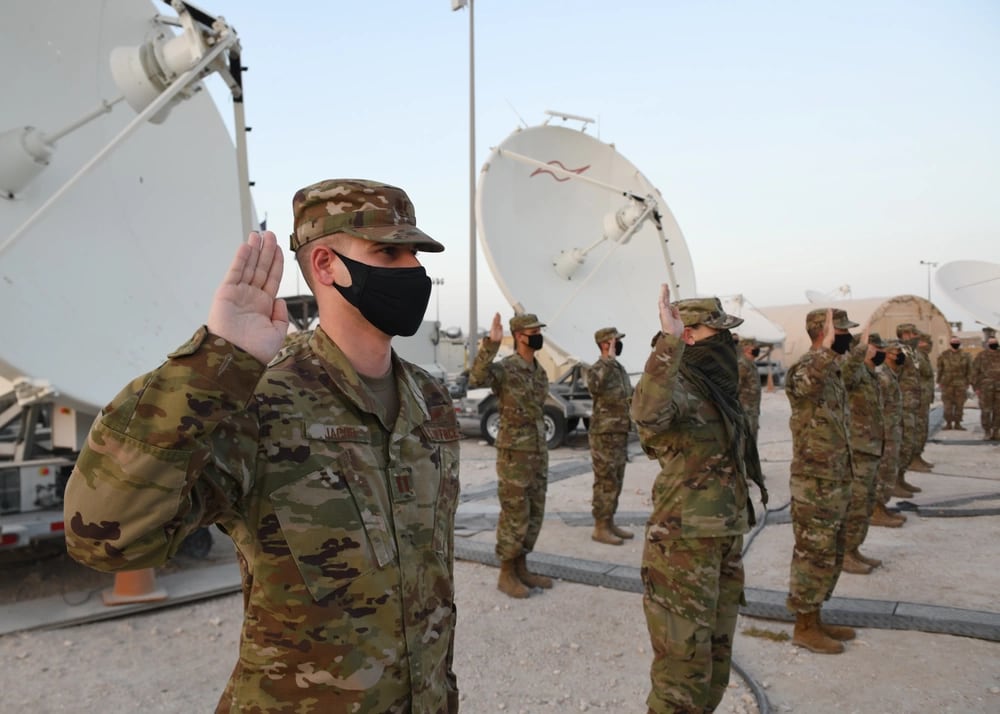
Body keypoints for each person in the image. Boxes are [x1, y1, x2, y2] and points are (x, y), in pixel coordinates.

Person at [63, 179, 461, 713]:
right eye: (388, 251)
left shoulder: (431, 402)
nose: (412, 269)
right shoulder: (257, 400)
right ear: (325, 265)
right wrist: (215, 362)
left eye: (415, 252)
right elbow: (105, 538)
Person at [630, 287, 766, 714]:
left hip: (724, 538)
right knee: (682, 675)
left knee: (715, 665)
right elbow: (647, 414)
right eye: (717, 332)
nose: (728, 342)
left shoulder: (716, 389)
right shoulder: (680, 387)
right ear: (689, 336)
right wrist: (668, 344)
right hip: (683, 545)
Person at [785, 307, 859, 655]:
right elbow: (805, 385)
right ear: (823, 333)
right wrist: (826, 349)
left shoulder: (832, 371)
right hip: (814, 482)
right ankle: (804, 625)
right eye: (841, 331)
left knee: (831, 552)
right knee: (813, 553)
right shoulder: (805, 368)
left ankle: (816, 617)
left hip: (835, 477)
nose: (847, 337)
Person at [469, 311, 554, 598]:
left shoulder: (539, 372)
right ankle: (506, 573)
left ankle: (522, 566)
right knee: (515, 512)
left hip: (537, 450)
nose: (538, 335)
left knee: (534, 512)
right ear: (519, 336)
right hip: (514, 453)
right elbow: (476, 377)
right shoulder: (505, 368)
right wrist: (490, 345)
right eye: (533, 331)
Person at [840, 332, 887, 573]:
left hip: (872, 447)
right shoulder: (854, 371)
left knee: (866, 502)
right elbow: (846, 375)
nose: (878, 351)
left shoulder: (870, 375)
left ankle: (855, 547)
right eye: (874, 346)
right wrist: (858, 352)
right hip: (858, 449)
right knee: (856, 503)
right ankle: (845, 552)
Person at [586, 326, 634, 546]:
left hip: (619, 432)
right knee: (605, 481)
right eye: (616, 341)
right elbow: (595, 387)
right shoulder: (597, 368)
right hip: (603, 433)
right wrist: (608, 361)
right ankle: (600, 527)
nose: (619, 344)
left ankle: (610, 521)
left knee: (616, 480)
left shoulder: (619, 369)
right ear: (606, 344)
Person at [871, 339, 907, 528]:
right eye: (896, 351)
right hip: (884, 432)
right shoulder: (882, 376)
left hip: (891, 429)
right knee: (882, 471)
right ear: (888, 354)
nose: (900, 355)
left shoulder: (891, 374)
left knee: (889, 470)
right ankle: (875, 510)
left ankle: (881, 507)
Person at [893, 323, 925, 495]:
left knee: (909, 444)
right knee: (902, 444)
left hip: (912, 404)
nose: (915, 336)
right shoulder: (899, 352)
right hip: (902, 405)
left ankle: (901, 478)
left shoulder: (911, 353)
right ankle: (894, 482)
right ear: (903, 334)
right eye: (911, 333)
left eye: (915, 333)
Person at [937, 337, 973, 430]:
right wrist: (939, 381)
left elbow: (970, 370)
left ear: (960, 343)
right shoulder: (944, 355)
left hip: (961, 383)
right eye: (953, 342)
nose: (955, 343)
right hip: (947, 384)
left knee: (959, 404)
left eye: (957, 342)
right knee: (947, 405)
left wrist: (968, 381)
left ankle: (958, 423)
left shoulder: (966, 355)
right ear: (950, 343)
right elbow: (940, 369)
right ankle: (948, 423)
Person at [972, 336, 1000, 440]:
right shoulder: (981, 356)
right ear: (987, 344)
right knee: (986, 410)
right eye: (991, 342)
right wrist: (976, 387)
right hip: (985, 388)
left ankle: (996, 431)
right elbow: (974, 372)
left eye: (995, 342)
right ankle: (987, 431)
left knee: (998, 411)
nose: (993, 344)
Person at [736, 335, 763, 439]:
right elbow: (735, 388)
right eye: (754, 347)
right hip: (744, 413)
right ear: (746, 348)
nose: (757, 349)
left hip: (752, 412)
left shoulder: (751, 364)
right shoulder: (742, 365)